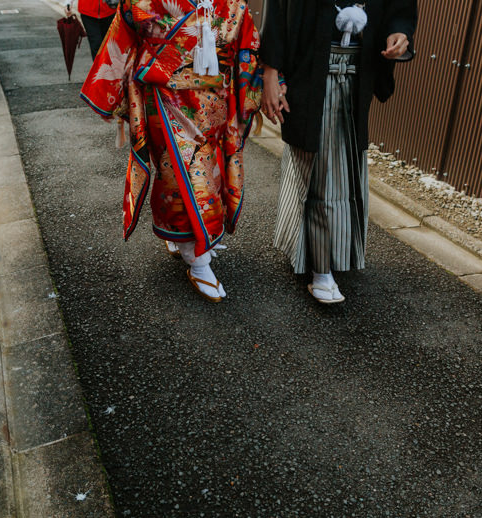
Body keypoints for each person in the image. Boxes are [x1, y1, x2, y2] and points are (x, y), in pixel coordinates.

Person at [80, 0, 265, 302]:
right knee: (183, 172)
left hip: (214, 98)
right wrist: (107, 90)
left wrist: (259, 89)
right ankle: (198, 258)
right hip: (165, 93)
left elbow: (246, 39)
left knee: (208, 171)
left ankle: (180, 232)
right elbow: (124, 27)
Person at [259, 0, 417, 303]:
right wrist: (270, 73)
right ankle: (321, 268)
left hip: (357, 77)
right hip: (309, 72)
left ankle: (309, 252)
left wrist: (399, 34)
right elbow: (278, 11)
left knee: (339, 171)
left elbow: (400, 9)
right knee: (320, 173)